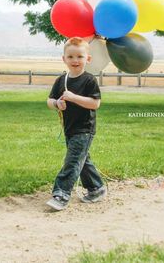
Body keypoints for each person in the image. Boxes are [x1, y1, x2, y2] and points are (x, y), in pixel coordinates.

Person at [46, 37, 106, 211]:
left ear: (88, 59)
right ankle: (96, 188)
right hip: (69, 128)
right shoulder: (61, 80)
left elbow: (95, 103)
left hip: (85, 129)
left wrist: (73, 97)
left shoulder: (89, 80)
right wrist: (57, 103)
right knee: (82, 159)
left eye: (79, 56)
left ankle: (61, 193)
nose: (75, 60)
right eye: (70, 56)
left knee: (72, 161)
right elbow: (49, 100)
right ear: (64, 59)